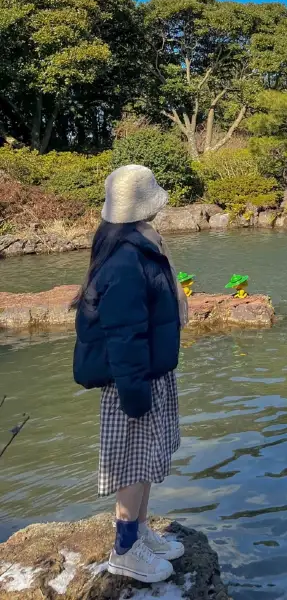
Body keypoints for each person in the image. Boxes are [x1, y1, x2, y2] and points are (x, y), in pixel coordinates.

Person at [73, 165, 190, 584]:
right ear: (143, 205)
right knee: (133, 467)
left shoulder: (136, 245)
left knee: (146, 460)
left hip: (147, 375)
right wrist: (134, 393)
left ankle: (139, 532)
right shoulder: (126, 259)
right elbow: (124, 336)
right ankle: (124, 549)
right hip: (133, 381)